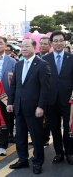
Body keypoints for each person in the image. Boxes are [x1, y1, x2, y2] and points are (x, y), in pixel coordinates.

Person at [8, 38, 50, 174]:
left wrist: (41, 106)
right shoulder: (18, 64)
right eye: (22, 46)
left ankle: (37, 162)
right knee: (20, 136)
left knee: (36, 137)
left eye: (27, 46)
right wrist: (10, 102)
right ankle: (23, 160)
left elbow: (45, 88)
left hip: (34, 107)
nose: (24, 48)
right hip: (19, 106)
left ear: (34, 47)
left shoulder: (42, 64)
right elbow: (14, 85)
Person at [42, 31, 73, 165]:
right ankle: (59, 153)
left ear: (65, 42)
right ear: (51, 43)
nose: (59, 43)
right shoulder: (45, 59)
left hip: (68, 100)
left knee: (69, 127)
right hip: (51, 99)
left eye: (61, 40)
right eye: (56, 41)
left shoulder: (71, 58)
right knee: (54, 127)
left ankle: (70, 152)